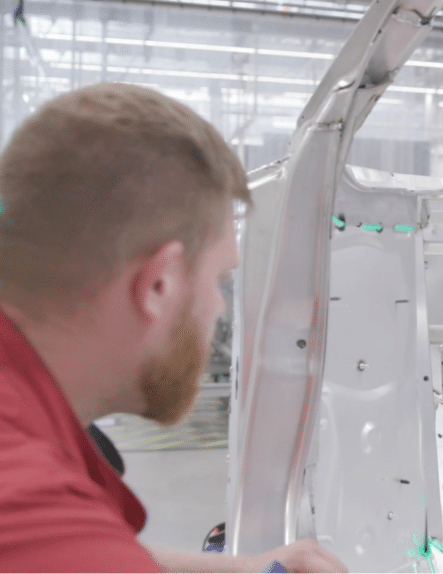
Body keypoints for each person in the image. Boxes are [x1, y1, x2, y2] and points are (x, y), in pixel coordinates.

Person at [0, 83, 348, 573]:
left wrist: (251, 569)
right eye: (219, 279)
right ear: (158, 284)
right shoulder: (28, 501)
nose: (220, 311)